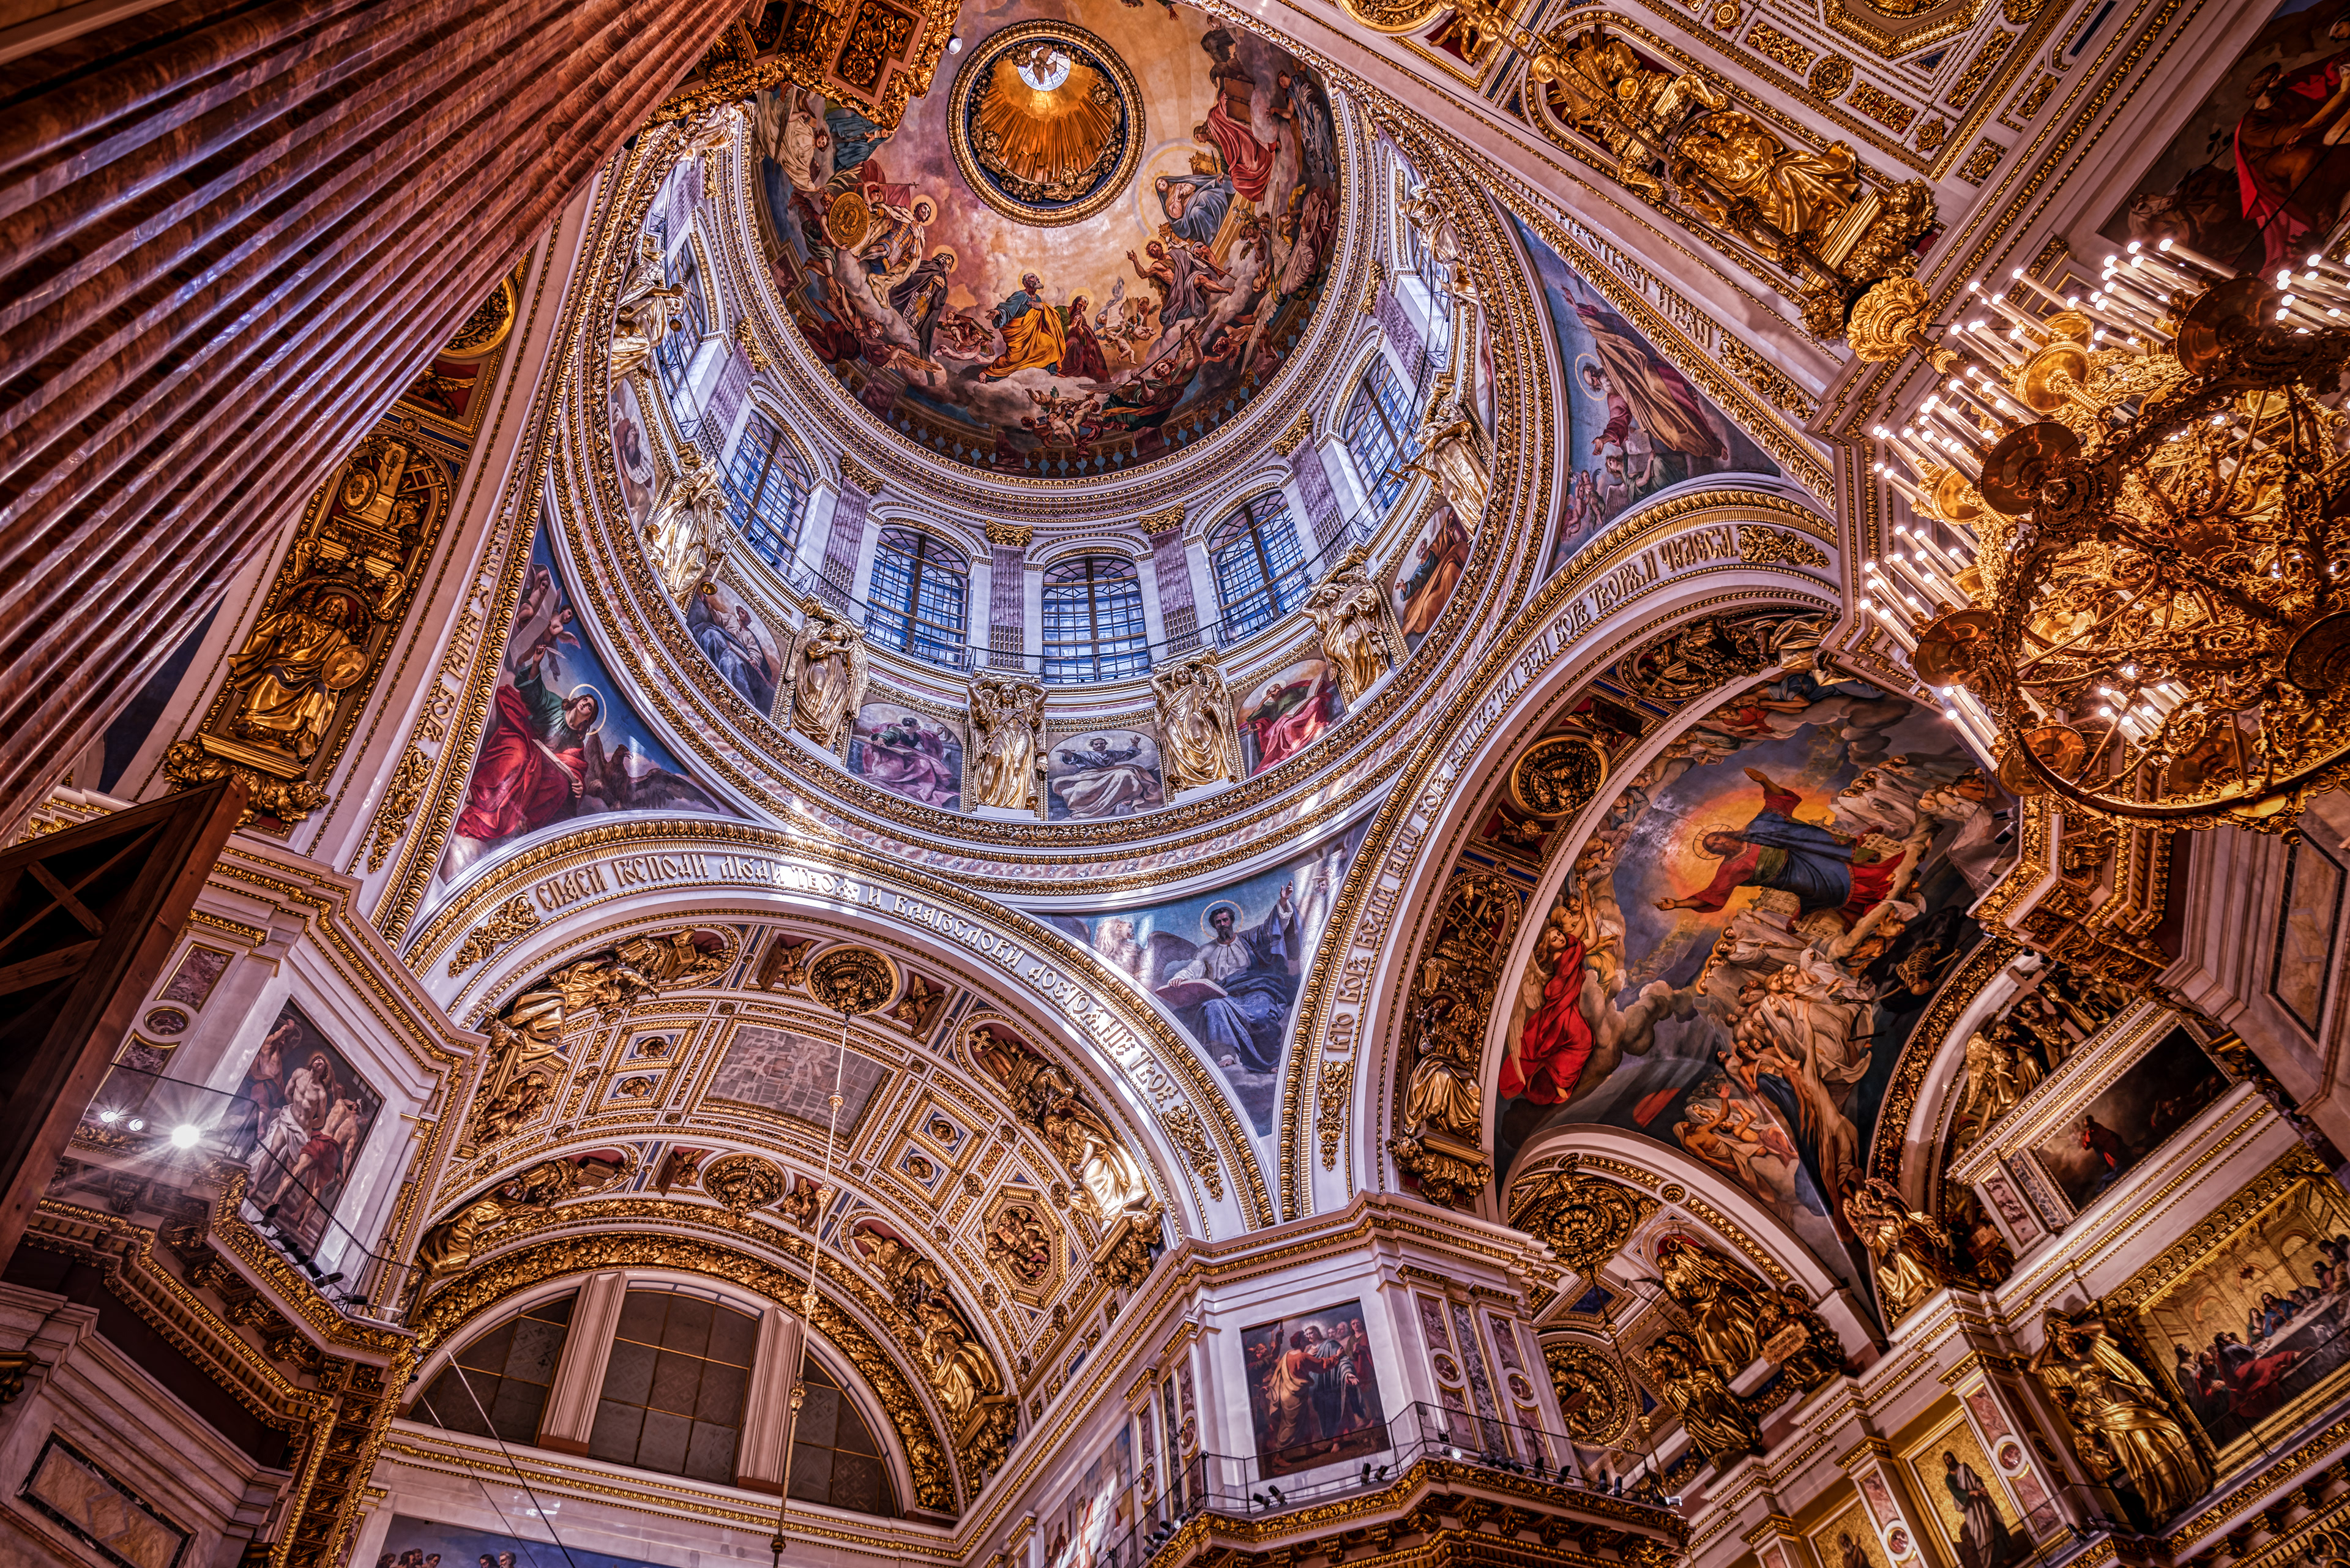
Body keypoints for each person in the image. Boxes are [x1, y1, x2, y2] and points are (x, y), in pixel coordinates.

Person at [1655, 767, 1905, 929]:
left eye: (1717, 838)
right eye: (1714, 847)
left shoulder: (1756, 829)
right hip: (1790, 879)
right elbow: (1709, 896)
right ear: (1717, 853)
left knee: (1833, 870)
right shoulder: (1729, 868)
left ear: (1724, 834)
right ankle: (1865, 906)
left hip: (1802, 858)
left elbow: (1777, 803)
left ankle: (1880, 881)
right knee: (1824, 891)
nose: (1718, 843)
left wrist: (1765, 781)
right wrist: (1677, 904)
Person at [1158, 892, 1300, 1073]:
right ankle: (1227, 1055)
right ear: (1214, 926)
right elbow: (1192, 969)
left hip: (1256, 990)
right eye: (1218, 922)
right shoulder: (1206, 950)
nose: (1223, 924)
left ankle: (1271, 1062)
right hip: (1225, 995)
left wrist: (1283, 902)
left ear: (1232, 921)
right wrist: (1179, 978)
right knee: (1213, 1006)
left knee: (1262, 1015)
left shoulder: (1248, 938)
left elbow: (1270, 928)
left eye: (1225, 920)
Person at [1051, 734, 1163, 818]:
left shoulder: (1111, 754)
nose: (1099, 746)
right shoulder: (1086, 755)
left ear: (1105, 745)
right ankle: (1082, 811)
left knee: (1127, 773)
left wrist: (1135, 745)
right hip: (1090, 775)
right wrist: (1068, 754)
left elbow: (1128, 755)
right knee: (1081, 789)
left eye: (1102, 744)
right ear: (1092, 746)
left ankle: (1126, 797)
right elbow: (1074, 758)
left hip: (1110, 773)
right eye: (1096, 744)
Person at [985, 274, 1066, 380]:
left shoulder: (1038, 299)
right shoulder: (1020, 296)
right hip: (1019, 337)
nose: (1037, 279)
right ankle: (989, 373)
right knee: (1013, 359)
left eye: (1037, 277)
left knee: (1051, 343)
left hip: (1034, 334)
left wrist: (1041, 307)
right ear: (1026, 282)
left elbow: (1045, 317)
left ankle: (1052, 372)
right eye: (1033, 277)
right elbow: (1008, 308)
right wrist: (998, 312)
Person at [1942, 1450, 2012, 1568]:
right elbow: (1956, 1492)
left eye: (1950, 1458)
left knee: (1991, 1525)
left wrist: (1981, 1488)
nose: (1949, 1461)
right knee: (1979, 1533)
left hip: (1980, 1502)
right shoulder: (1949, 1479)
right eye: (1946, 1460)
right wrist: (1972, 1493)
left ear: (1953, 1458)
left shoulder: (1964, 1468)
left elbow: (1975, 1480)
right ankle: (1988, 1561)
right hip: (1970, 1509)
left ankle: (2002, 1556)